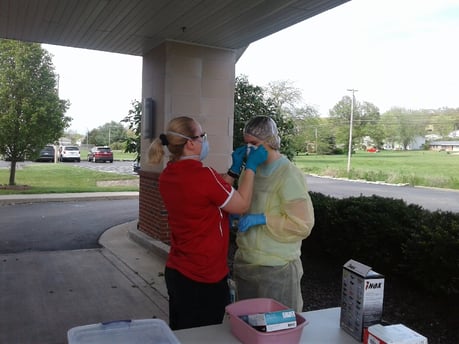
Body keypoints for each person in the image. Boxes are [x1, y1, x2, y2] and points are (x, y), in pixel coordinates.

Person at [147, 115, 267, 330]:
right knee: (205, 335)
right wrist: (251, 168)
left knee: (183, 333)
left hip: (179, 270)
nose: (205, 141)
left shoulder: (169, 174)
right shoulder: (203, 175)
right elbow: (240, 205)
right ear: (190, 143)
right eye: (202, 136)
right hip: (204, 276)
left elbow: (212, 196)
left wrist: (233, 171)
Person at [232, 116, 315, 313]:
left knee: (278, 330)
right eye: (246, 144)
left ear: (270, 141)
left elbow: (303, 224)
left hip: (277, 269)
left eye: (254, 144)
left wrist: (263, 219)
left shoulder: (288, 174)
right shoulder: (250, 171)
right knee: (249, 328)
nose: (250, 149)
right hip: (246, 262)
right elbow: (242, 201)